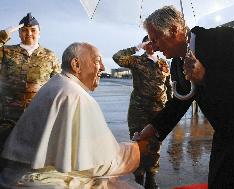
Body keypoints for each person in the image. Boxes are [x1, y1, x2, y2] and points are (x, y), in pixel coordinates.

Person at [134, 6, 234, 189]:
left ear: (174, 30)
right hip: (227, 134)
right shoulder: (177, 64)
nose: (154, 47)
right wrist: (154, 128)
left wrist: (207, 77)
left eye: (156, 39)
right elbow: (181, 100)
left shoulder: (227, 39)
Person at [0, 42, 144, 189]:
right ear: (76, 64)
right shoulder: (75, 96)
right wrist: (137, 148)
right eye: (97, 61)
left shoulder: (56, 84)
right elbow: (99, 165)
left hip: (18, 174)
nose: (102, 67)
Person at [112, 35, 172, 189]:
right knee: (138, 144)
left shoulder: (163, 62)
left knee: (155, 144)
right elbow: (117, 57)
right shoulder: (137, 60)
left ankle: (151, 178)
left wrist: (170, 107)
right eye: (148, 42)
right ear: (145, 44)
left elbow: (168, 86)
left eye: (154, 41)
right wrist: (136, 47)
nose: (152, 45)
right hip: (139, 110)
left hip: (158, 110)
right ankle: (138, 178)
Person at [0, 13, 60, 125]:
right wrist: (3, 35)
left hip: (39, 117)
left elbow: (59, 85)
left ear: (39, 33)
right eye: (24, 30)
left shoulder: (50, 56)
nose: (29, 33)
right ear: (18, 33)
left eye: (33, 30)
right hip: (7, 118)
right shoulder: (5, 51)